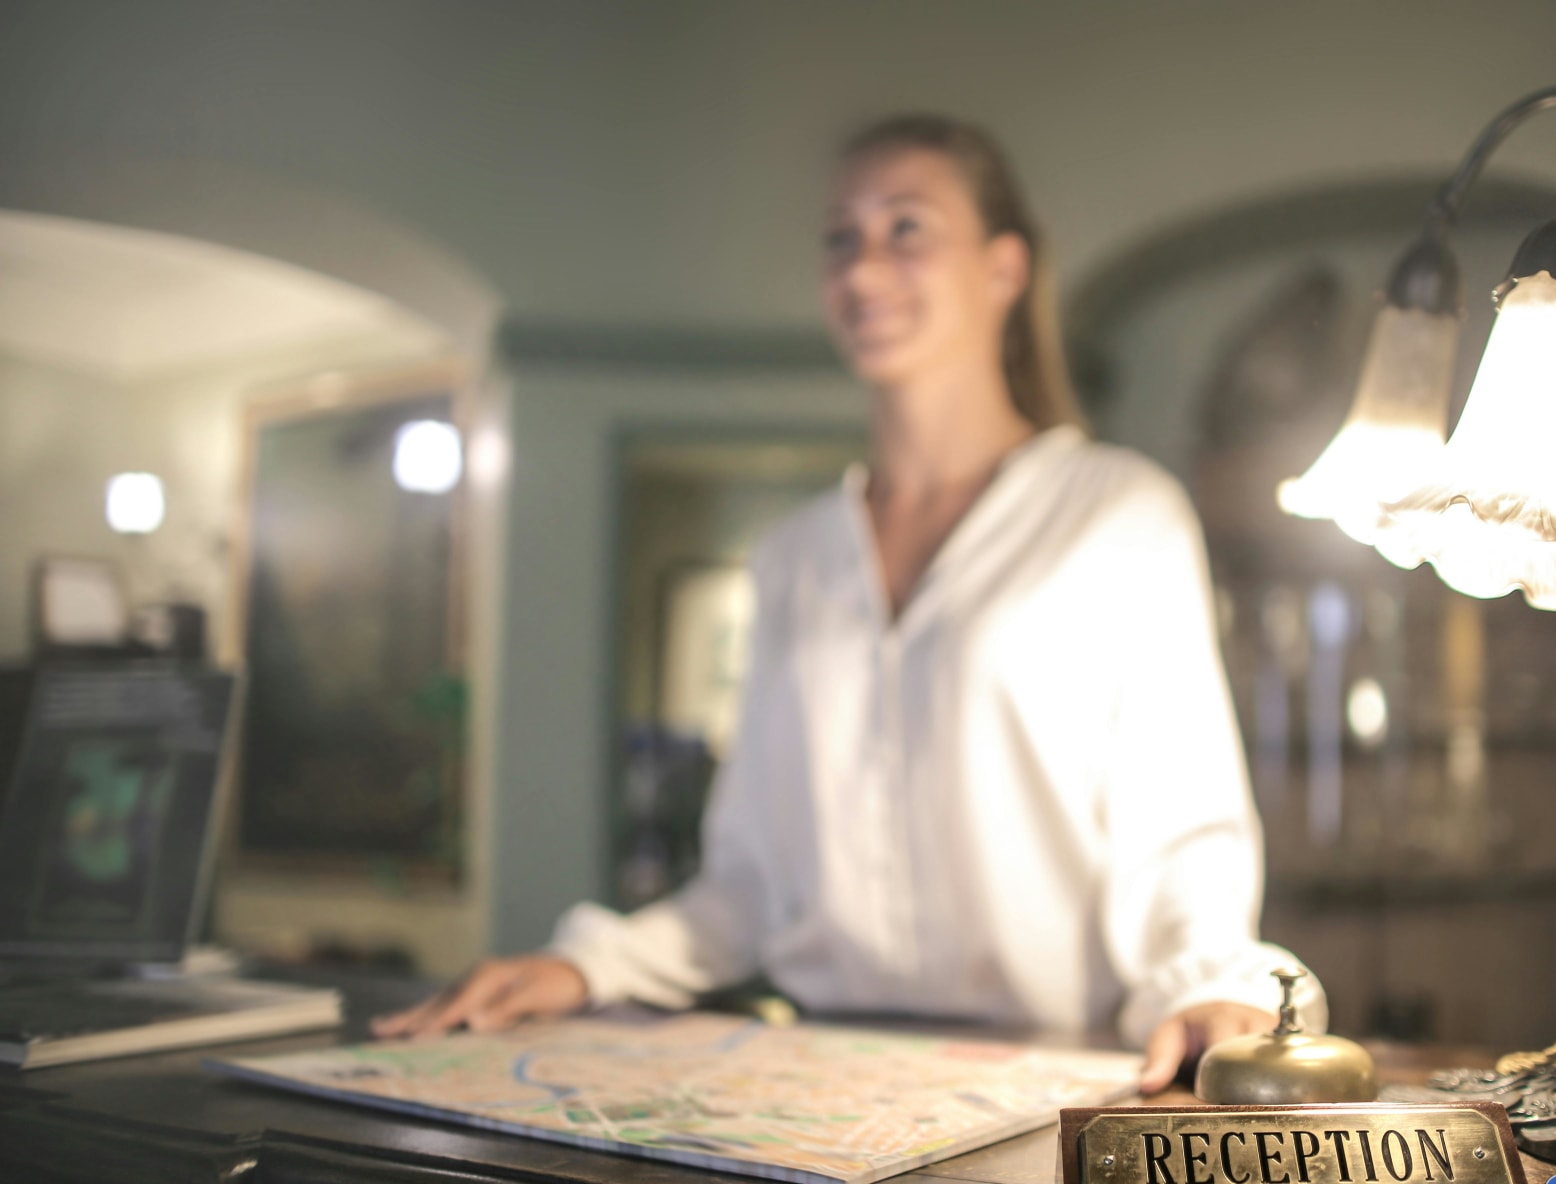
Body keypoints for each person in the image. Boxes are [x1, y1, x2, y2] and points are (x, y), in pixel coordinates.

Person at [374, 114, 1326, 1093]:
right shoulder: (793, 557)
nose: (863, 272)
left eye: (906, 228)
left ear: (1004, 267)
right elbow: (746, 883)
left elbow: (1180, 828)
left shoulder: (1117, 512)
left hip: (1050, 1075)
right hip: (816, 1078)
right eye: (841, 237)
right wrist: (588, 963)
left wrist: (1212, 983)